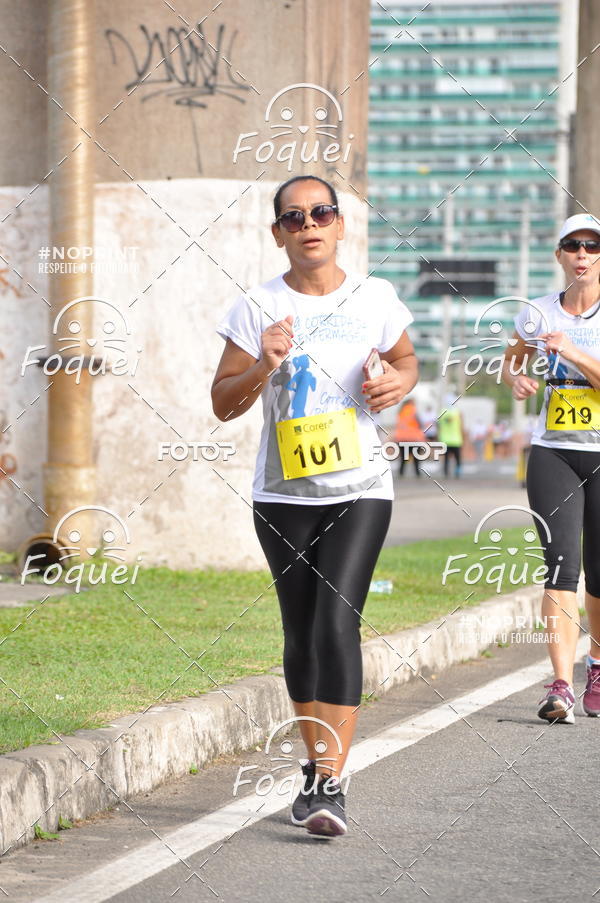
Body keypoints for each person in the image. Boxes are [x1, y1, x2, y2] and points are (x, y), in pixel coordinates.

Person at [211, 175, 417, 837]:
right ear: (279, 233)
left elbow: (408, 363)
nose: (310, 224)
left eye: (321, 212)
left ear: (340, 224)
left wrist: (394, 385)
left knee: (336, 623)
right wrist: (262, 365)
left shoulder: (376, 297)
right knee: (299, 632)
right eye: (294, 216)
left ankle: (331, 782)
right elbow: (222, 401)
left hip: (360, 489)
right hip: (282, 495)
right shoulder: (257, 306)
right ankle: (313, 763)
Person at [501, 213, 600, 723]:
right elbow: (512, 360)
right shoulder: (537, 314)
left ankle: (597, 667)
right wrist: (517, 379)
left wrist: (575, 352)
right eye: (572, 246)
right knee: (562, 567)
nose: (582, 254)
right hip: (553, 450)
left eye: (592, 246)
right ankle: (561, 685)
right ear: (559, 255)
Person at [394, 397, 426, 476]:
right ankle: (417, 474)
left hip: (402, 438)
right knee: (416, 458)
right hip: (414, 438)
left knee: (403, 458)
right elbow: (420, 423)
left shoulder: (400, 411)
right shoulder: (413, 410)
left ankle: (401, 473)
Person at [438, 395, 464, 477]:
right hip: (456, 439)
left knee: (446, 459)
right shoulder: (457, 412)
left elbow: (438, 425)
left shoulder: (442, 412)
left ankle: (446, 472)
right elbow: (461, 426)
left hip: (445, 440)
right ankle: (458, 471)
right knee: (458, 458)